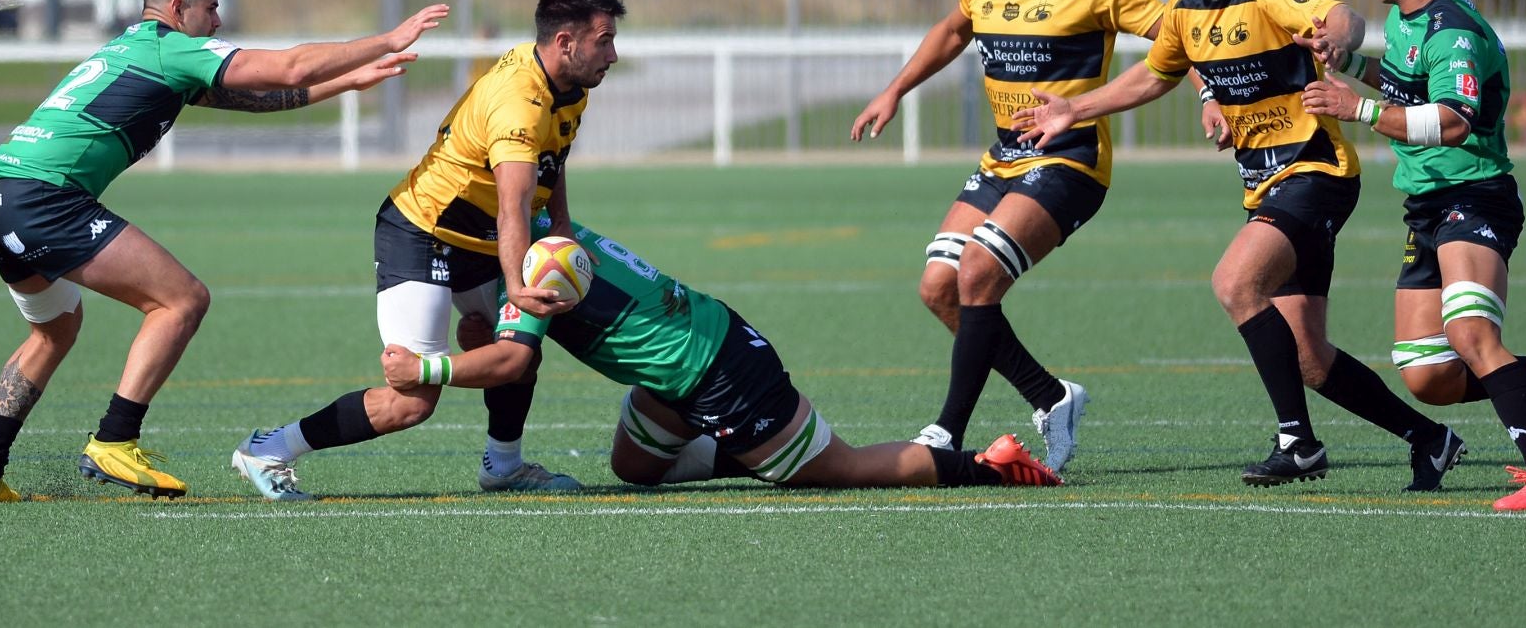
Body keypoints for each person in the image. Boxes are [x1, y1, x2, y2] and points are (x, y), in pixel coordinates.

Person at [1015, 0, 1464, 491]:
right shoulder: (1186, 8)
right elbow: (1154, 76)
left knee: (1234, 281)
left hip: (1314, 173)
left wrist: (1338, 36)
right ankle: (1430, 439)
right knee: (1308, 357)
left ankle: (1298, 443)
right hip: (1267, 185)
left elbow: (1343, 16)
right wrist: (1075, 109)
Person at [0, 0, 448, 502]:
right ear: (176, 10)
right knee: (181, 301)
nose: (218, 20)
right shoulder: (171, 48)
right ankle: (115, 439)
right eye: (210, 8)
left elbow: (256, 95)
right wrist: (388, 39)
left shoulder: (135, 50)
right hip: (42, 198)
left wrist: (348, 81)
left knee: (55, 331)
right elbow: (289, 66)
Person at [849, 0, 1188, 475]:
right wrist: (895, 89)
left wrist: (1213, 92)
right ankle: (1050, 397)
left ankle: (946, 432)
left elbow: (1181, 32)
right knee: (938, 287)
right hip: (1004, 159)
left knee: (977, 272)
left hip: (1070, 161)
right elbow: (953, 32)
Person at [230, 0, 625, 500]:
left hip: (478, 239)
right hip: (422, 232)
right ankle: (270, 446)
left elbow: (552, 159)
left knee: (513, 353)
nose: (614, 55)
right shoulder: (518, 102)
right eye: (605, 40)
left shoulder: (570, 82)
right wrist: (516, 284)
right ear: (567, 42)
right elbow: (512, 205)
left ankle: (503, 466)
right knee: (412, 401)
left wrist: (564, 227)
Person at [1299, 0, 1526, 511]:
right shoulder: (1414, 21)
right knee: (1427, 375)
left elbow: (1455, 119)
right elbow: (1410, 80)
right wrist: (1353, 64)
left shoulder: (1454, 30)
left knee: (1470, 335)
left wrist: (1355, 110)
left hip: (1476, 197)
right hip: (1427, 208)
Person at [378, 218, 1064, 490]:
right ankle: (749, 451)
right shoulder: (545, 227)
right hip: (683, 364)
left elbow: (509, 364)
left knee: (843, 467)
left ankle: (989, 466)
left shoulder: (535, 266)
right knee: (633, 467)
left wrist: (424, 370)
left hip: (722, 376)